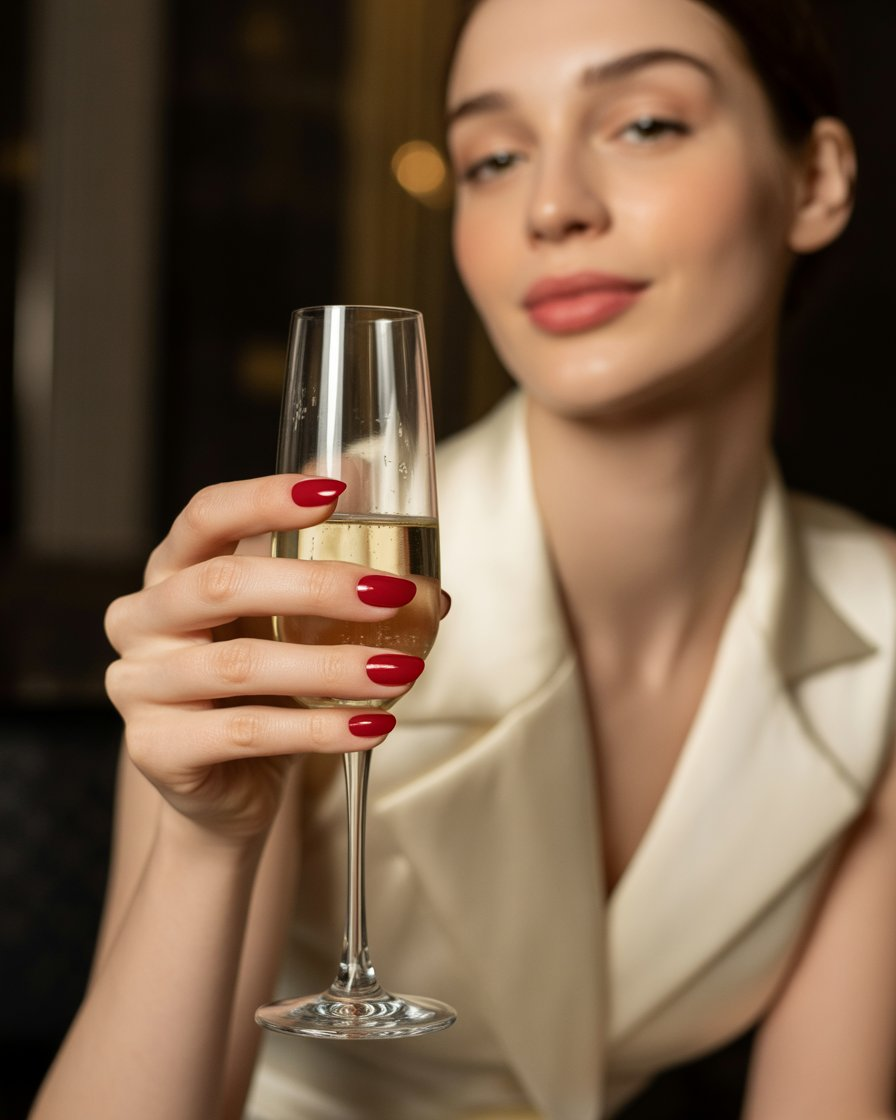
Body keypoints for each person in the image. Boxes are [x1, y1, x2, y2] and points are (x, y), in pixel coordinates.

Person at [30, 0, 896, 1118]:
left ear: (816, 180)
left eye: (642, 124)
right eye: (492, 157)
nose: (552, 205)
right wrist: (208, 844)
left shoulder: (877, 627)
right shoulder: (302, 588)